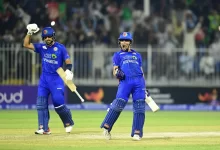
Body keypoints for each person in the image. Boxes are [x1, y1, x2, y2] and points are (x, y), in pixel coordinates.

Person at [23, 24, 74, 135]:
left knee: (58, 103)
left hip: (56, 79)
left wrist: (69, 70)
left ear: (53, 36)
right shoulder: (42, 48)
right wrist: (29, 33)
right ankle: (43, 128)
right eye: (45, 37)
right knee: (41, 104)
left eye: (49, 36)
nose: (47, 39)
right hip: (44, 80)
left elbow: (68, 61)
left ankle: (68, 122)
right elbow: (26, 44)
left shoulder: (60, 48)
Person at [100, 32, 146, 141]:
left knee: (139, 107)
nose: (123, 42)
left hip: (139, 82)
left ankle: (137, 133)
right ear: (119, 42)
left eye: (126, 40)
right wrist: (117, 73)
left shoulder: (137, 55)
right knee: (118, 104)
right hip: (125, 81)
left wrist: (145, 86)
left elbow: (141, 71)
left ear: (130, 42)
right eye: (122, 40)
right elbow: (115, 69)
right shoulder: (117, 55)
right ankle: (106, 128)